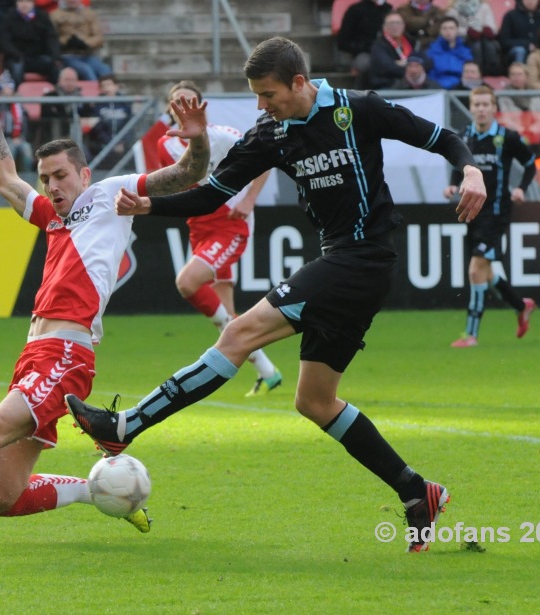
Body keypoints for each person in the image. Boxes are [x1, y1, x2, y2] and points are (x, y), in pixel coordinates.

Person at [65, 36, 487, 553]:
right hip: (348, 262)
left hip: (361, 259)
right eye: (256, 98)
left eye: (268, 95)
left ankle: (125, 426)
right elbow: (212, 193)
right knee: (315, 401)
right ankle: (417, 490)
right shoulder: (271, 133)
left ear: (300, 83)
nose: (262, 106)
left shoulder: (358, 110)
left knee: (239, 333)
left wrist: (469, 168)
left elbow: (440, 136)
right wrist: (152, 203)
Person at [0, 55, 211, 532]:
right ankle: (107, 492)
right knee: (4, 498)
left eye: (61, 176)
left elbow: (187, 174)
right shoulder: (51, 217)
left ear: (83, 175)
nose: (52, 186)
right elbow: (6, 177)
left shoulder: (110, 194)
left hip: (66, 355)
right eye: (46, 178)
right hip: (34, 353)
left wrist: (197, 137)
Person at [158, 80, 282, 397]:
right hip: (198, 227)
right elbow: (173, 184)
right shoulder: (166, 144)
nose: (184, 107)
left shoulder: (224, 135)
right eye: (177, 102)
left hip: (229, 223)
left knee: (187, 282)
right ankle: (268, 372)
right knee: (225, 315)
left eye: (190, 101)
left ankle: (257, 357)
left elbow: (264, 159)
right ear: (170, 108)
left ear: (201, 107)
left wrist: (249, 199)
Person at [444, 86, 536, 348]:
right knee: (485, 272)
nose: (482, 109)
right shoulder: (464, 137)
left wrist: (521, 188)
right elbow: (459, 165)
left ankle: (470, 335)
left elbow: (530, 163)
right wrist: (453, 184)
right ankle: (521, 306)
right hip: (471, 211)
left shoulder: (507, 137)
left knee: (476, 269)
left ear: (494, 107)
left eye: (486, 104)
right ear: (471, 108)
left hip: (496, 212)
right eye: (477, 104)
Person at [0, 0, 60, 87]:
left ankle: (55, 95)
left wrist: (55, 56)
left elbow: (51, 38)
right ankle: (17, 97)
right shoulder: (8, 17)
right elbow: (4, 42)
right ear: (16, 3)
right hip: (16, 57)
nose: (24, 4)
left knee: (53, 66)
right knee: (16, 69)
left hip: (37, 57)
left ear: (33, 3)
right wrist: (16, 55)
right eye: (21, 1)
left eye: (27, 1)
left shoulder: (42, 16)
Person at [336, 0, 393, 89]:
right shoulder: (355, 10)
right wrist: (364, 47)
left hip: (388, 52)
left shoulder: (388, 9)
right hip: (364, 53)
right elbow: (343, 42)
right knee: (367, 65)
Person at [81, 74, 133, 169]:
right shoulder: (96, 105)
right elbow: (97, 128)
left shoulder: (125, 103)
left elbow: (130, 125)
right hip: (102, 146)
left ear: (116, 86)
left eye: (109, 84)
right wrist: (111, 144)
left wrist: (122, 142)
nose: (106, 88)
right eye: (103, 86)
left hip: (122, 146)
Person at [51, 0, 111, 82]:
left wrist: (85, 43)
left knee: (105, 70)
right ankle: (93, 93)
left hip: (87, 55)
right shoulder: (55, 15)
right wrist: (66, 42)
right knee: (86, 70)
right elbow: (51, 38)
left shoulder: (90, 14)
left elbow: (99, 37)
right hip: (67, 56)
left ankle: (111, 92)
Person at [445, 0, 500, 76]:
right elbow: (451, 27)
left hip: (482, 37)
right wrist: (468, 31)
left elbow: (491, 25)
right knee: (476, 45)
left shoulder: (484, 6)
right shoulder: (454, 8)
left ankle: (491, 70)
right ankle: (476, 70)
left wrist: (486, 30)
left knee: (488, 43)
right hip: (463, 38)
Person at [498, 61, 540, 143]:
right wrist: (521, 131)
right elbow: (506, 119)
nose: (516, 77)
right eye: (513, 74)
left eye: (519, 74)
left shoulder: (535, 95)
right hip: (513, 134)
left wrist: (530, 131)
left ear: (526, 76)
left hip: (534, 133)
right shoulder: (504, 96)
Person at [0, 69, 34, 172]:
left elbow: (25, 124)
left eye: (10, 87)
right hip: (1, 140)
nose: (8, 90)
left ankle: (28, 179)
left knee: (27, 150)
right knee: (10, 149)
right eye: (5, 87)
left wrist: (21, 137)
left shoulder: (19, 105)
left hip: (18, 138)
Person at [498, 0, 540, 66]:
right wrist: (526, 45)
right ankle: (519, 73)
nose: (530, 1)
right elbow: (504, 41)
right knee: (520, 51)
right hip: (514, 54)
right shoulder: (510, 16)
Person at [40, 66, 86, 144]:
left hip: (77, 136)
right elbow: (47, 117)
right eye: (67, 80)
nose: (69, 83)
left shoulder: (81, 98)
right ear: (59, 80)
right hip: (53, 136)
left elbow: (86, 115)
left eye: (72, 80)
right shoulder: (49, 97)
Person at [368, 11, 414, 89]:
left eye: (398, 23)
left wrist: (398, 63)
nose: (395, 26)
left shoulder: (411, 41)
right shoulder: (378, 45)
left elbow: (423, 61)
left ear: (404, 25)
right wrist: (411, 67)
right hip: (387, 85)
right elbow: (388, 67)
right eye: (391, 23)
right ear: (384, 27)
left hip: (408, 83)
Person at [426, 16, 474, 89]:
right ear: (440, 31)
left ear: (457, 30)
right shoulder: (431, 51)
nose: (448, 31)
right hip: (437, 89)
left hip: (460, 89)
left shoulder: (466, 52)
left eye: (451, 28)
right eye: (444, 28)